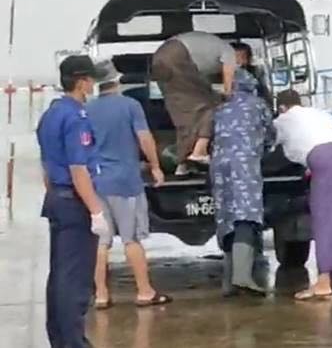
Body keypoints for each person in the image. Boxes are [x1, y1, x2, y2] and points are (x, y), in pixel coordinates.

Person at [86, 60, 172, 309]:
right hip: (125, 181)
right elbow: (144, 138)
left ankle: (101, 295)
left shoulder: (87, 110)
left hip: (97, 182)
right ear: (116, 79)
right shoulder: (130, 105)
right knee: (131, 238)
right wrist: (155, 166)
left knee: (101, 241)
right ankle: (145, 291)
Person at [37, 55, 109, 348]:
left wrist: (56, 194)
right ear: (81, 82)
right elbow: (79, 170)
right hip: (74, 201)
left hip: (57, 198)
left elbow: (46, 165)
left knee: (59, 275)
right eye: (90, 79)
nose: (93, 84)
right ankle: (73, 342)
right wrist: (96, 211)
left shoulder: (51, 114)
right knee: (75, 279)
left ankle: (59, 338)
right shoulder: (76, 118)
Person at [273, 89, 332, 301]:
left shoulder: (283, 120)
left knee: (325, 219)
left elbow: (271, 145)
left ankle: (323, 284)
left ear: (281, 107)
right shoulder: (320, 114)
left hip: (323, 161)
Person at [211, 68, 275, 295]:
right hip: (245, 166)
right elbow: (271, 136)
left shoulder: (221, 108)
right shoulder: (258, 105)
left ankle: (229, 281)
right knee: (245, 216)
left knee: (227, 217)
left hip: (219, 166)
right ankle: (242, 277)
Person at [151, 30, 236, 169]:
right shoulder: (229, 50)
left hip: (160, 56)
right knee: (210, 105)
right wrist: (228, 95)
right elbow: (228, 73)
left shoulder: (207, 54)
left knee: (185, 113)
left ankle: (183, 163)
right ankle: (199, 151)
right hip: (178, 54)